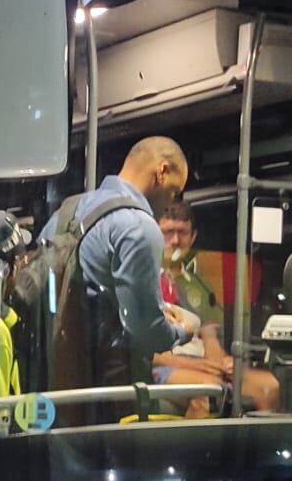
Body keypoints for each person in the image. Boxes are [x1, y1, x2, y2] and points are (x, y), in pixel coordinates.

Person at [43, 135, 201, 389]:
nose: (169, 203)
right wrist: (185, 330)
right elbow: (145, 331)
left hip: (50, 374)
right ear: (162, 171)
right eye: (173, 192)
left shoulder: (67, 211)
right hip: (106, 383)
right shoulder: (139, 225)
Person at [150, 200, 282, 415]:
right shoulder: (145, 281)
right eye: (168, 232)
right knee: (210, 390)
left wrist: (222, 362)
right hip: (162, 366)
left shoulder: (199, 286)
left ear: (193, 237)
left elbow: (210, 338)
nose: (175, 241)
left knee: (270, 386)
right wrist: (196, 365)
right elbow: (142, 354)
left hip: (200, 362)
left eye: (182, 233)